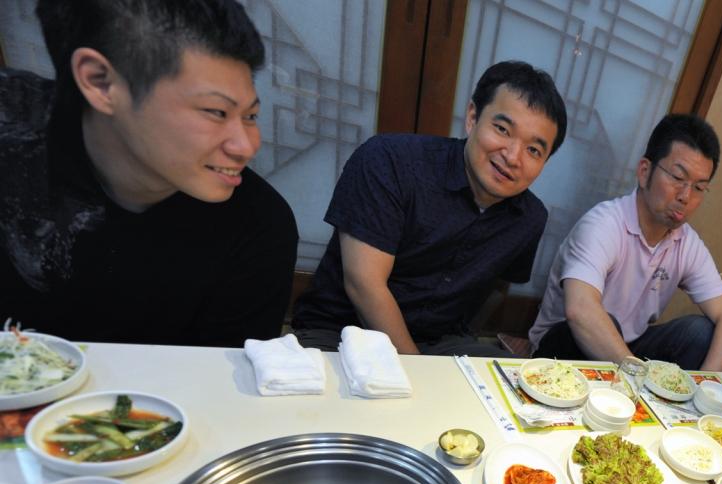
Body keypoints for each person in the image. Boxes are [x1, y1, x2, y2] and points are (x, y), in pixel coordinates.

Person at [1, 0, 298, 347]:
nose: (246, 146)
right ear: (100, 82)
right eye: (216, 111)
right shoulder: (14, 142)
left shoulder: (259, 226)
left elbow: (222, 373)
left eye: (250, 116)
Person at [291, 61, 566, 357]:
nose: (513, 157)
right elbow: (363, 284)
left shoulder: (529, 218)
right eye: (502, 129)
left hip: (440, 342)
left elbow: (497, 288)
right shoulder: (390, 160)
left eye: (533, 150)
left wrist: (464, 343)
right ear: (473, 117)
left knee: (511, 380)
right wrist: (418, 369)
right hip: (341, 333)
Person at [527, 114, 722, 371]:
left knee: (700, 332)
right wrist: (638, 375)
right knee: (607, 322)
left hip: (629, 351)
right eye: (677, 177)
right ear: (644, 171)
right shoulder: (604, 224)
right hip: (563, 347)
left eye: (699, 188)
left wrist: (704, 384)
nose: (686, 196)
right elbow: (580, 310)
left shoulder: (686, 242)